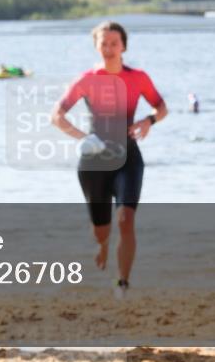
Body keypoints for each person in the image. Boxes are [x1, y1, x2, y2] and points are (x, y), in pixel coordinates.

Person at [51, 21, 167, 300]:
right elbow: (57, 116)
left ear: (124, 46)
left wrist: (149, 120)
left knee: (126, 219)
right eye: (103, 43)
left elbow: (161, 107)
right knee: (101, 230)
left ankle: (122, 283)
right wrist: (82, 138)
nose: (109, 48)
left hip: (128, 157)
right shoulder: (86, 80)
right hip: (94, 163)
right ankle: (103, 246)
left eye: (114, 43)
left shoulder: (138, 77)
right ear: (96, 46)